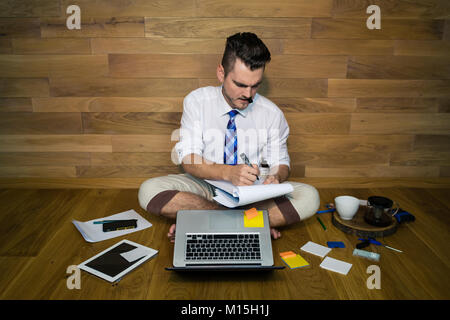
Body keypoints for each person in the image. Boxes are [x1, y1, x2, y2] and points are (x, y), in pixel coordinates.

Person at [138, 32, 320, 241]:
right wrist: (228, 173)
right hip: (207, 186)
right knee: (148, 191)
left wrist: (276, 177)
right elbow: (189, 160)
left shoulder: (272, 114)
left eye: (255, 85)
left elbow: (281, 163)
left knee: (309, 197)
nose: (248, 95)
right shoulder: (197, 101)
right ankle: (251, 223)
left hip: (254, 192)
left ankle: (206, 221)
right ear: (221, 73)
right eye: (241, 85)